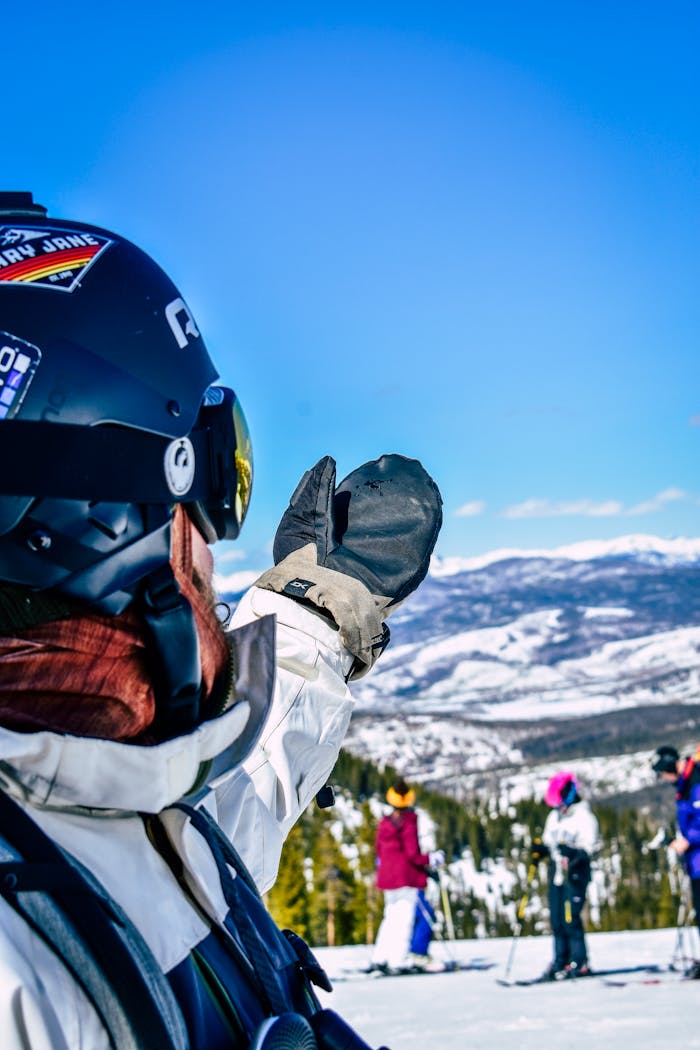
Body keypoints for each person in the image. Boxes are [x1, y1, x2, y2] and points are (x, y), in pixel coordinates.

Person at [0, 191, 443, 1049]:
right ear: (104, 523)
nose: (211, 545)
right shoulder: (21, 958)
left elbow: (197, 830)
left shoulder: (92, 805)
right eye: (211, 488)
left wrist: (314, 617)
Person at [370, 779, 445, 973]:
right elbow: (412, 854)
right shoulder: (409, 821)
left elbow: (378, 849)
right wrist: (432, 858)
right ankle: (397, 961)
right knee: (404, 920)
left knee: (390, 918)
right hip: (406, 878)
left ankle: (381, 957)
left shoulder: (385, 822)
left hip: (387, 877)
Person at [532, 771, 600, 980]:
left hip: (575, 874)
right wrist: (540, 851)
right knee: (557, 920)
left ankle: (579, 961)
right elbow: (549, 841)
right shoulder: (555, 817)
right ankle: (560, 960)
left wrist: (573, 853)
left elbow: (589, 847)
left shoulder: (584, 817)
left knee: (571, 919)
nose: (558, 806)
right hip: (557, 874)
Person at [651, 744, 700, 978]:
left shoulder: (696, 780)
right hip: (695, 861)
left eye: (663, 772)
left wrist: (687, 840)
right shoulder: (686, 782)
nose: (664, 777)